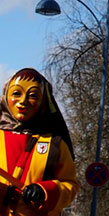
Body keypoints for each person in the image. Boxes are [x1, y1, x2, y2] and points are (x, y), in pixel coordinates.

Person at [0, 68, 79, 215]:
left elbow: (71, 185)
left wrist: (45, 192)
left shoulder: (55, 145)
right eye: (16, 93)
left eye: (32, 95)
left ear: (43, 102)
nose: (23, 101)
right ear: (6, 96)